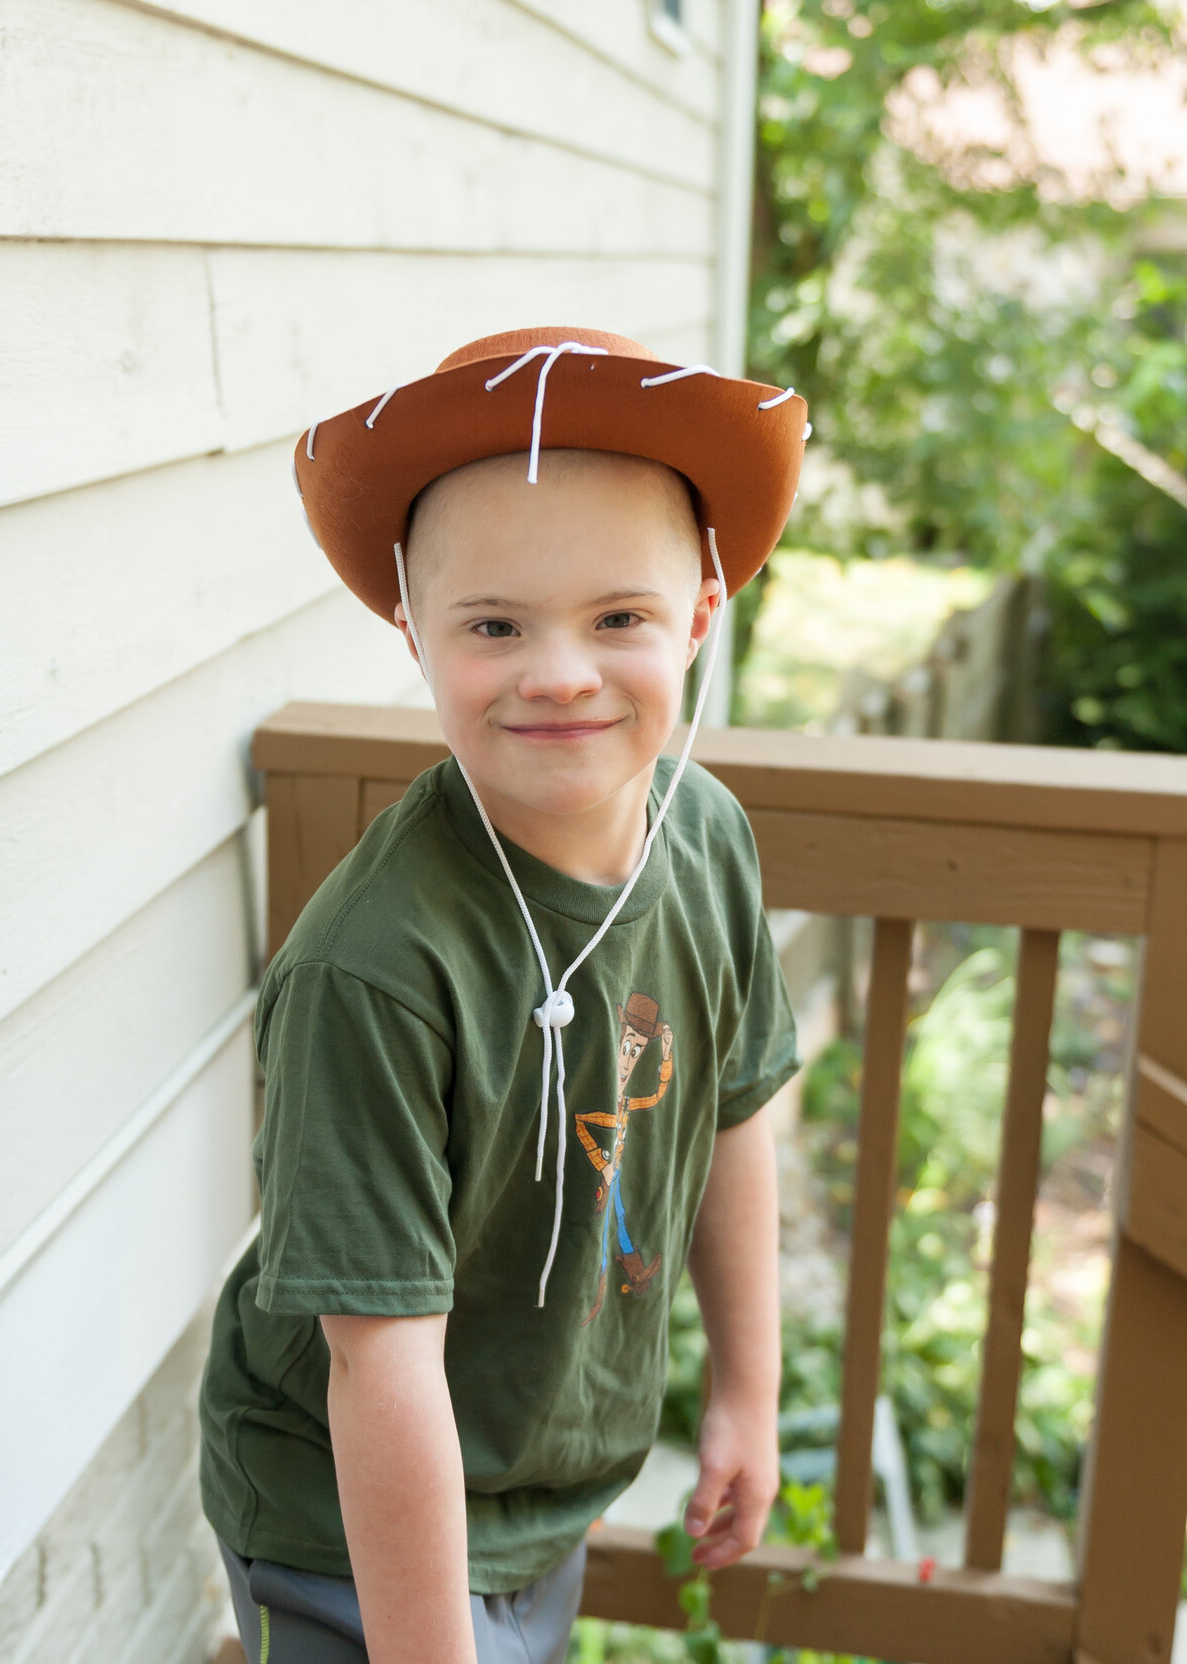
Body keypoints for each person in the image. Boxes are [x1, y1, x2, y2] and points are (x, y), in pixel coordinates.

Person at [199, 326, 809, 1664]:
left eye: (619, 618)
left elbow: (731, 1114)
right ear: (411, 627)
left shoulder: (704, 842)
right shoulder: (376, 970)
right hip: (350, 1518)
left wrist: (747, 1398)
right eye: (494, 624)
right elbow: (380, 1363)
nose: (560, 672)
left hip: (538, 1479)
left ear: (701, 613)